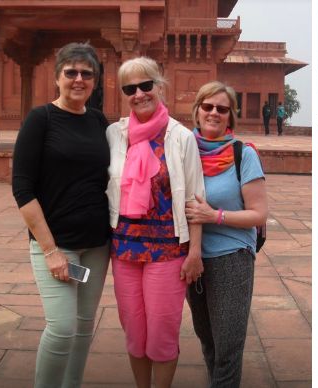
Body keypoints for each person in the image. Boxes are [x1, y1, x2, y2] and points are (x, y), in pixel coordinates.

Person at [11, 42, 110, 388]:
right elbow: (23, 189)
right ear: (57, 77)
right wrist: (50, 250)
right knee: (62, 328)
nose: (79, 79)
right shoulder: (41, 120)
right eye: (71, 72)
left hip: (96, 246)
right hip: (57, 245)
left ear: (95, 81)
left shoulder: (98, 121)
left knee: (84, 326)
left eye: (87, 73)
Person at [105, 56, 204, 388]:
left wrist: (195, 253)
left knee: (162, 330)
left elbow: (195, 200)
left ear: (159, 86)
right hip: (125, 249)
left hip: (168, 250)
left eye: (146, 85)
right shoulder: (114, 135)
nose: (139, 94)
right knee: (134, 329)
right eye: (130, 88)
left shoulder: (180, 137)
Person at [185, 81, 268, 387]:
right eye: (207, 106)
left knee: (228, 347)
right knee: (207, 338)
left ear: (231, 116)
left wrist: (214, 215)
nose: (214, 113)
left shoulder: (242, 155)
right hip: (191, 259)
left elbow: (259, 214)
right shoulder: (183, 151)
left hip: (231, 258)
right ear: (196, 111)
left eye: (222, 109)